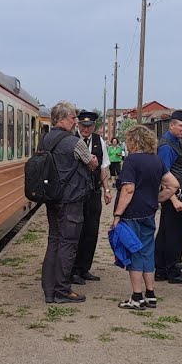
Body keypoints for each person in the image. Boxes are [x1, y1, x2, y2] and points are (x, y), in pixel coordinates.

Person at [110, 125, 177, 309]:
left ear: (134, 141)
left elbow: (128, 189)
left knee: (134, 252)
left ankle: (137, 296)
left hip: (131, 214)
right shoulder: (156, 161)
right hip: (149, 212)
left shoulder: (132, 161)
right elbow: (173, 185)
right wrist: (156, 200)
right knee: (147, 251)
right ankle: (150, 294)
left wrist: (117, 214)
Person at [39, 101, 99, 304]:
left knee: (53, 241)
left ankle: (48, 289)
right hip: (71, 200)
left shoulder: (45, 139)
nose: (76, 122)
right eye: (73, 118)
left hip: (52, 198)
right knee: (68, 244)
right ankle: (62, 290)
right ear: (63, 119)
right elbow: (91, 163)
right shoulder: (75, 142)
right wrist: (93, 161)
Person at [155, 110, 182, 285]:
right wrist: (173, 199)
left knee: (166, 232)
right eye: (181, 125)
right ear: (172, 125)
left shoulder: (174, 142)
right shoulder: (167, 146)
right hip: (176, 196)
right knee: (175, 233)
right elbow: (163, 174)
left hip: (177, 195)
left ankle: (160, 268)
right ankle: (172, 270)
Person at [72, 111, 113, 285]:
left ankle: (84, 268)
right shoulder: (72, 139)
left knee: (91, 231)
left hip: (94, 192)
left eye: (89, 126)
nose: (86, 129)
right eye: (83, 125)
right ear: (78, 125)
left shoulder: (99, 141)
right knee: (76, 232)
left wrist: (107, 190)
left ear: (94, 127)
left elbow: (104, 167)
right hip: (76, 193)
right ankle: (73, 270)